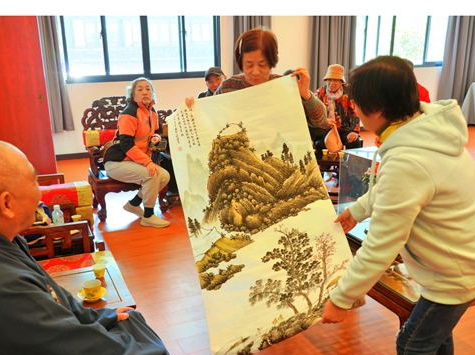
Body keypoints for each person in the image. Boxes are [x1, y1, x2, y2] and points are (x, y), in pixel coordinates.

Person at [0, 138, 196, 355]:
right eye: (34, 182)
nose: (40, 193)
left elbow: (54, 298)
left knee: (130, 319)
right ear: (7, 204)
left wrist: (98, 318)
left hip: (38, 351)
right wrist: (149, 354)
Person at [321, 56, 475, 355]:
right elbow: (398, 189)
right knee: (434, 336)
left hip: (460, 268)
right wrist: (358, 210)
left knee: (413, 346)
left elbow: (382, 244)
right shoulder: (425, 129)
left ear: (377, 109)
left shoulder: (407, 159)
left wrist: (341, 298)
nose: (355, 109)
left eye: (358, 103)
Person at [186, 28, 327, 129]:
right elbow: (210, 119)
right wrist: (192, 110)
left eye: (262, 64)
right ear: (241, 63)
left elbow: (320, 121)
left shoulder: (282, 86)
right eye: (249, 64)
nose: (255, 72)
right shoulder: (228, 87)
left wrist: (306, 95)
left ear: (271, 62)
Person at [103, 77, 171, 228]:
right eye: (140, 89)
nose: (144, 92)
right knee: (152, 174)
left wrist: (156, 137)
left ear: (152, 93)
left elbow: (155, 132)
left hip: (134, 161)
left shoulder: (152, 112)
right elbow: (126, 145)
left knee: (164, 176)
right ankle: (148, 216)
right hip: (117, 161)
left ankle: (134, 204)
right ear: (133, 95)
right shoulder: (129, 113)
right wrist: (148, 162)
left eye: (148, 89)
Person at [314, 64, 361, 151]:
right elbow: (314, 113)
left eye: (335, 80)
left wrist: (354, 131)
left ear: (341, 81)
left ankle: (346, 160)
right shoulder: (320, 93)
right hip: (326, 129)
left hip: (344, 129)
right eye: (329, 79)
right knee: (319, 144)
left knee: (354, 142)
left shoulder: (349, 92)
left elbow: (355, 113)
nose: (331, 83)